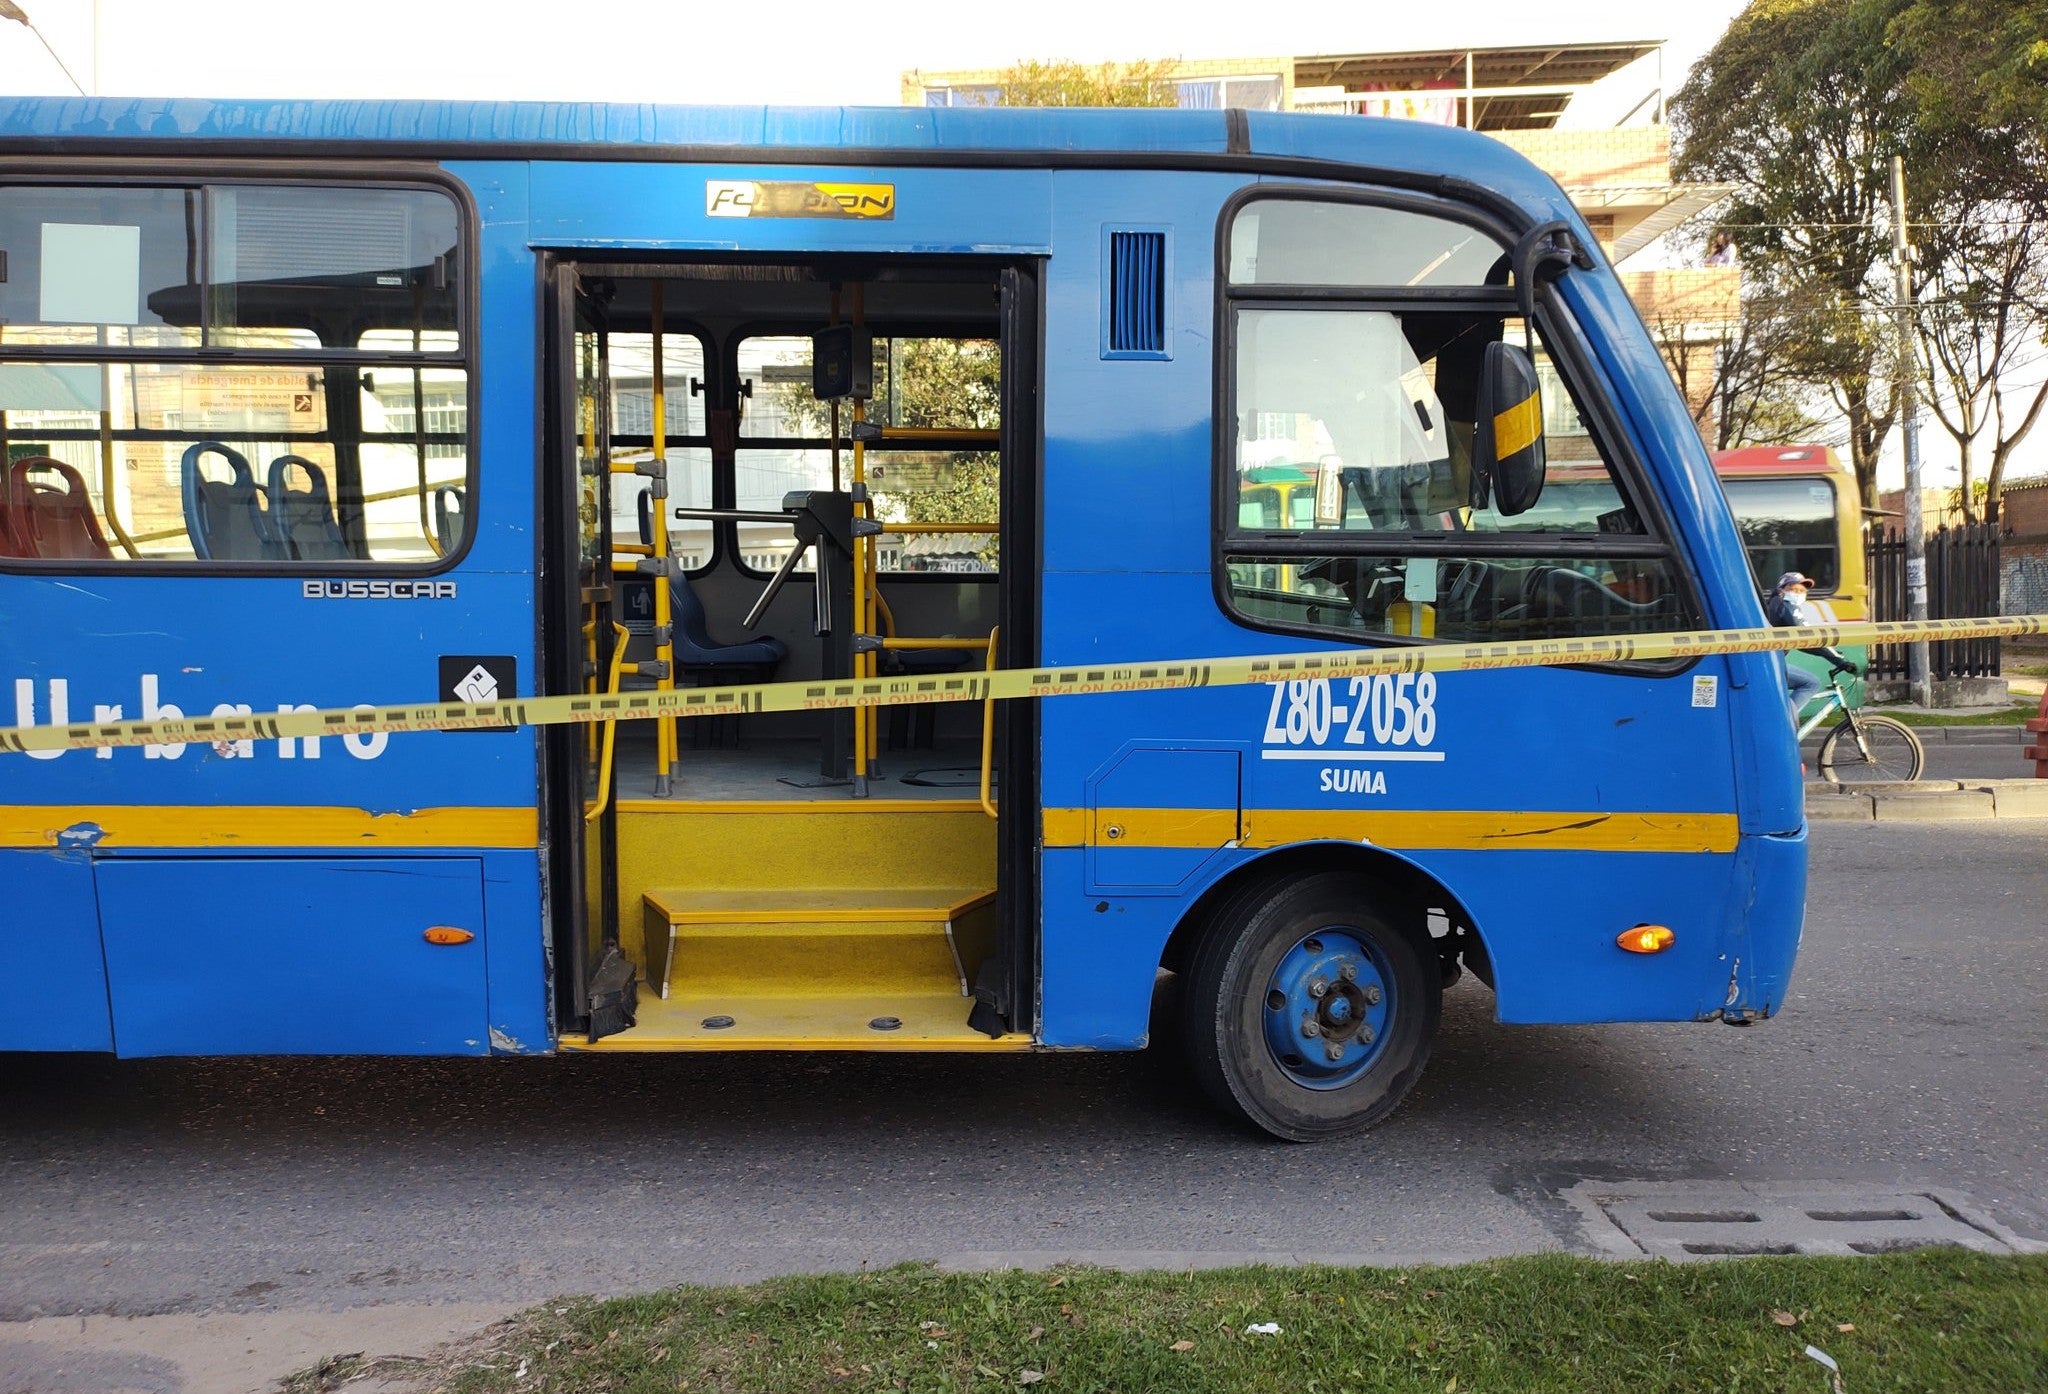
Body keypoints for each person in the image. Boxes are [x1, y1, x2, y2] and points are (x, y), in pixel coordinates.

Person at [1764, 571, 1855, 723]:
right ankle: (1783, 723)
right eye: (1794, 590)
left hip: (1768, 660)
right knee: (1810, 683)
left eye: (1802, 591)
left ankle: (1781, 720)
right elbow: (1809, 637)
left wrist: (1833, 656)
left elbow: (1804, 643)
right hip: (1768, 663)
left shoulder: (1775, 604)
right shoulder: (1785, 606)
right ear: (1781, 590)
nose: (1799, 594)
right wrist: (1839, 661)